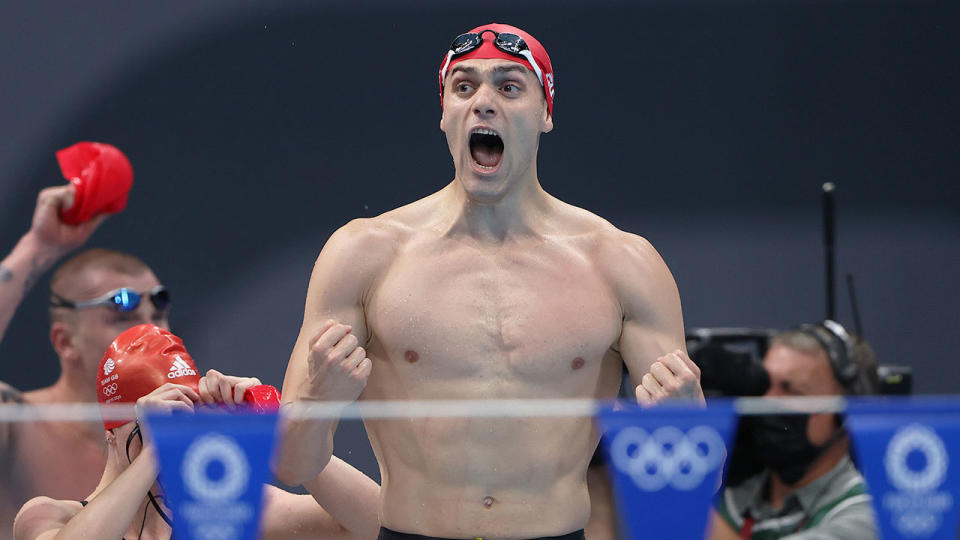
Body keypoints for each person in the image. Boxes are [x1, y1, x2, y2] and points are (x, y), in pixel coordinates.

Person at [275, 23, 705, 539]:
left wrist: (687, 428)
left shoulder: (620, 263)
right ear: (444, 115)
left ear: (546, 112)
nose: (483, 102)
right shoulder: (365, 254)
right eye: (464, 86)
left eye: (508, 86)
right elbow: (290, 466)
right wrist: (319, 403)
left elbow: (695, 485)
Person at [13, 324, 379, 540]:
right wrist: (155, 454)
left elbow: (379, 527)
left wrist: (281, 434)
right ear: (113, 430)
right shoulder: (47, 516)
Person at [0, 184, 128, 537]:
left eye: (158, 310)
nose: (148, 325)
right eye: (122, 310)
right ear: (64, 340)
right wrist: (39, 247)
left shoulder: (174, 443)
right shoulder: (15, 423)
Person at [711, 321, 879, 540]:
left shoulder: (866, 517)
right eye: (763, 387)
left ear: (846, 412)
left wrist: (683, 478)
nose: (768, 403)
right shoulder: (731, 499)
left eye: (792, 391)